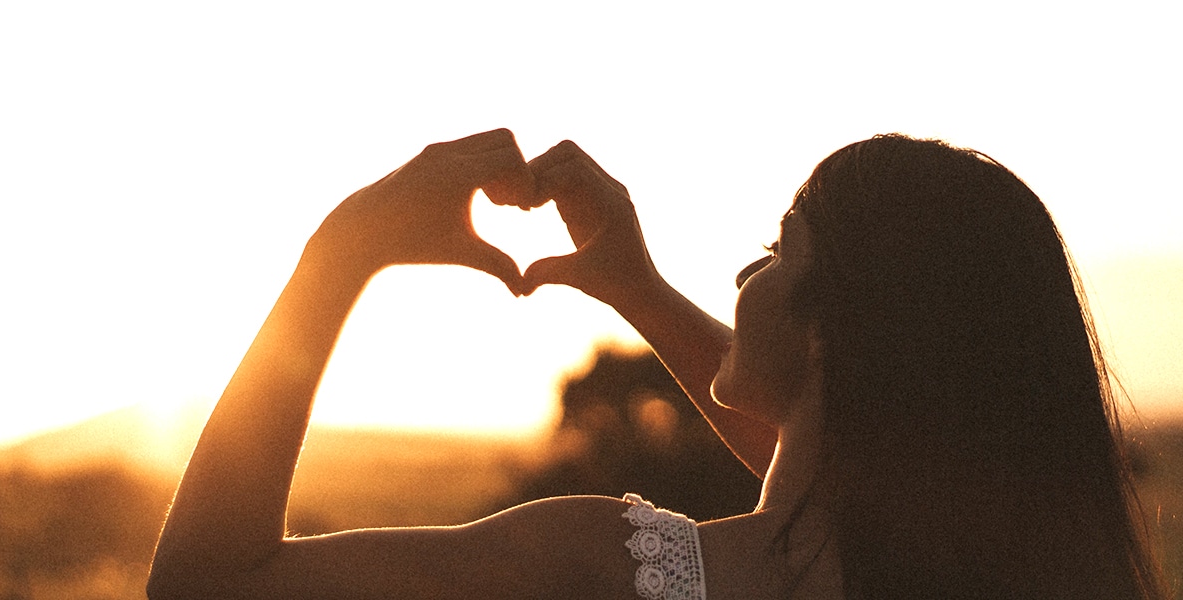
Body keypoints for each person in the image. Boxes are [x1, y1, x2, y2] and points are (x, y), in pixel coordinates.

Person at [147, 129, 1163, 599]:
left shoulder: (607, 568)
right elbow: (839, 449)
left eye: (781, 242)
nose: (745, 267)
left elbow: (205, 580)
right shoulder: (1010, 576)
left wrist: (347, 244)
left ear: (833, 329)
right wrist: (634, 286)